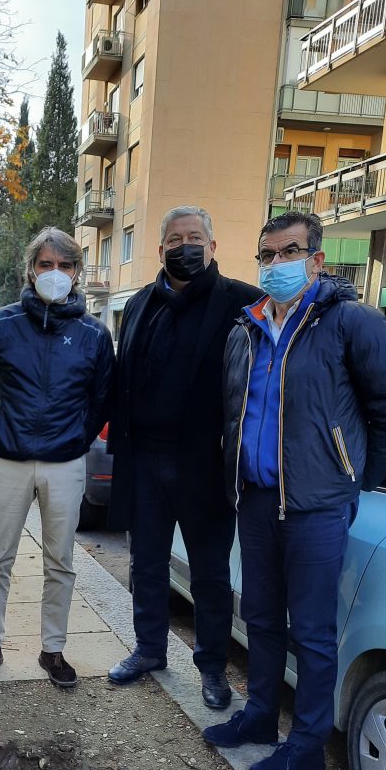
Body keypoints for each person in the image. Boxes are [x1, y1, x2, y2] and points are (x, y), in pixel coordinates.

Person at [205, 210, 386, 770]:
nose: (276, 265)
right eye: (266, 255)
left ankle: (306, 745)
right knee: (263, 618)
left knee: (314, 633)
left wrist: (352, 477)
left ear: (316, 259)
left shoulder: (351, 324)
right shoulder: (243, 329)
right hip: (256, 500)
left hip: (316, 507)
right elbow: (234, 414)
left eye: (288, 252)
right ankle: (260, 717)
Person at [105, 207, 260, 708]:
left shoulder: (244, 304)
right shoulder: (139, 305)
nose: (185, 245)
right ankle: (149, 649)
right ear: (161, 249)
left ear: (213, 247)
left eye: (195, 237)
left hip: (206, 463)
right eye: (175, 238)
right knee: (146, 562)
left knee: (211, 573)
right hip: (145, 460)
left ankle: (212, 668)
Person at [0, 226, 116, 688]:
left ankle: (53, 650)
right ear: (31, 270)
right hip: (8, 461)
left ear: (77, 272)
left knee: (61, 562)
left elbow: (101, 399)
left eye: (65, 265)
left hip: (64, 465)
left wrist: (74, 440)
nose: (55, 273)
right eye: (46, 264)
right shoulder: (3, 325)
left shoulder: (93, 334)